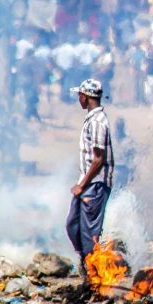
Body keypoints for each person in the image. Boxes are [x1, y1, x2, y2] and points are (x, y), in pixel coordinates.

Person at [65, 78, 115, 280]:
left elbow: (98, 159)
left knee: (89, 235)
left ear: (85, 97)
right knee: (73, 225)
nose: (79, 98)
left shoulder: (97, 122)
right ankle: (87, 265)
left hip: (94, 185)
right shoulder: (92, 120)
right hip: (88, 184)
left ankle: (94, 278)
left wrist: (81, 184)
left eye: (80, 95)